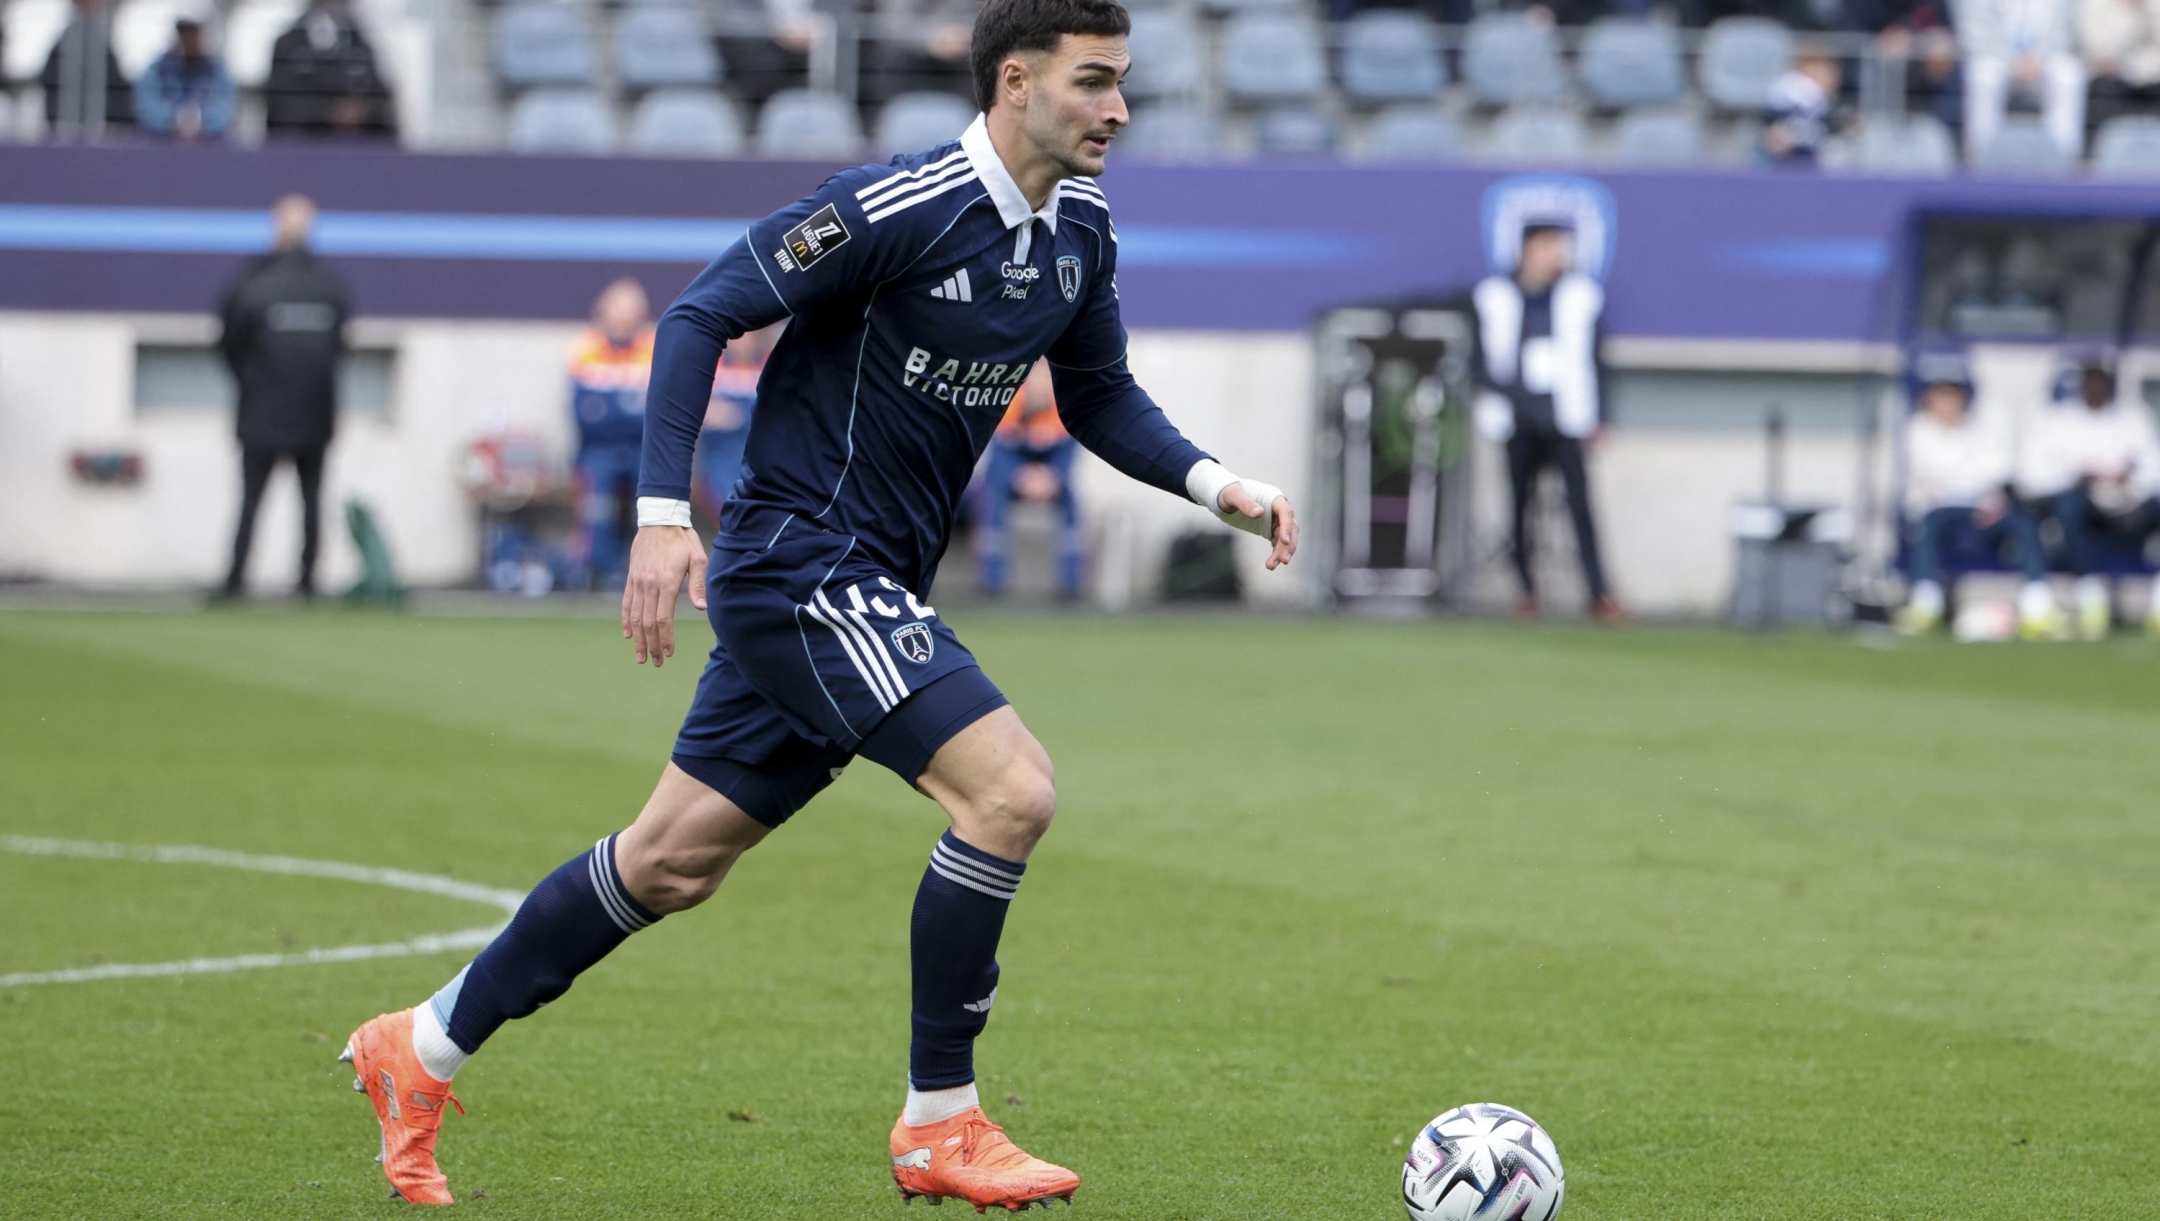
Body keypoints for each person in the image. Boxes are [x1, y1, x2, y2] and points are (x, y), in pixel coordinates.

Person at [338, 1, 1299, 1211]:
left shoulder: (1080, 232)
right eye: (1093, 81)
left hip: (865, 584)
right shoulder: (896, 207)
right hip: (802, 560)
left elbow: (1098, 394)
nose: (1118, 109)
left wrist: (1221, 486)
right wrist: (659, 514)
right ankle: (940, 1120)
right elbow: (698, 313)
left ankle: (416, 1048)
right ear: (1015, 82)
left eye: (1123, 84)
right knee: (1009, 792)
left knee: (671, 862)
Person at [1471, 221, 1623, 622]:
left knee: (1579, 505)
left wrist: (1601, 417)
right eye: (1548, 247)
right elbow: (1478, 363)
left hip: (1566, 416)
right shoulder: (1494, 296)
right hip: (1515, 416)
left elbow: (1597, 361)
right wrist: (1509, 392)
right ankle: (1526, 589)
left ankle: (1599, 591)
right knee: (1519, 505)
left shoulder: (1580, 296)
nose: (1557, 256)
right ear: (1527, 250)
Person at [217, 195, 350, 600]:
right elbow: (340, 348)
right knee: (310, 502)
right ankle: (307, 582)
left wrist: (253, 383)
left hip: (263, 412)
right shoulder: (329, 285)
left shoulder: (253, 284)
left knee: (252, 500)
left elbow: (228, 344)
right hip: (314, 413)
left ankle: (236, 581)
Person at [1894, 353, 2056, 637]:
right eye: (1940, 395)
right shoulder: (1916, 430)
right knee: (1928, 526)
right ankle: (1926, 604)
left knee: (2024, 525)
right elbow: (1933, 478)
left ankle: (2037, 607)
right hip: (1940, 512)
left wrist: (1988, 496)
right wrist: (1968, 485)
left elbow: (1999, 472)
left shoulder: (1984, 429)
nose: (1947, 403)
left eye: (1953, 395)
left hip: (1985, 512)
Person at [2027, 357, 2160, 638]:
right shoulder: (2059, 421)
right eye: (2091, 383)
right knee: (2067, 509)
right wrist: (2081, 479)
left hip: (2131, 504)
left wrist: (2130, 486)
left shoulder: (2133, 418)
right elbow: (2038, 473)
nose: (2096, 389)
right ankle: (2090, 594)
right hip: (2083, 505)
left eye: (2102, 383)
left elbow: (2152, 466)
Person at [566, 279, 657, 591]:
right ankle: (598, 570)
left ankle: (644, 571)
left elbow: (655, 416)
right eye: (618, 308)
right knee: (597, 493)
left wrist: (614, 409)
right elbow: (585, 417)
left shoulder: (653, 347)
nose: (624, 316)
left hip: (643, 449)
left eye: (631, 309)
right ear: (602, 310)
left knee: (652, 498)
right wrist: (628, 408)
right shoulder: (586, 349)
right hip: (597, 449)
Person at [974, 360, 1085, 599]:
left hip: (1049, 482)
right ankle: (992, 583)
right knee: (991, 497)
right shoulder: (1009, 408)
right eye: (1035, 378)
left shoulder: (1063, 410)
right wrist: (1019, 477)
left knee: (1072, 502)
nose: (1040, 385)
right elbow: (998, 457)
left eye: (1046, 378)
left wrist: (1051, 479)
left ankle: (1070, 584)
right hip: (1013, 481)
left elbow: (1068, 456)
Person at [1962, 0, 2086, 156]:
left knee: (2068, 74)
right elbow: (1975, 35)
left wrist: (2037, 60)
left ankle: (2064, 155)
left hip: (2043, 62)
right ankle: (1980, 153)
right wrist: (2011, 61)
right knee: (1983, 75)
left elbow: (2065, 34)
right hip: (1998, 60)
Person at [264, 0, 398, 140]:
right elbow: (280, 106)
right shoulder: (289, 44)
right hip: (302, 146)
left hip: (355, 147)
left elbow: (381, 100)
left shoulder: (360, 44)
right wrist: (330, 113)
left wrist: (360, 111)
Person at [694, 321, 781, 519]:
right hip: (718, 458)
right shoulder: (711, 364)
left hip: (764, 458)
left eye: (753, 334)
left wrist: (738, 417)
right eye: (741, 334)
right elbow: (685, 405)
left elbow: (784, 415)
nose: (746, 341)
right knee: (733, 510)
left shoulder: (774, 363)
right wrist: (704, 410)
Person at [134, 15, 238, 142]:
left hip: (210, 145)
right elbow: (147, 106)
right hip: (162, 143)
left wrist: (198, 122)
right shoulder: (158, 68)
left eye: (194, 33)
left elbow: (225, 110)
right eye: (184, 33)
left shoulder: (218, 70)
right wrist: (175, 120)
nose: (188, 39)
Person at [39, 0, 135, 135]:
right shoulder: (65, 43)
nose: (91, 7)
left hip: (101, 125)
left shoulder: (102, 42)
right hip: (67, 124)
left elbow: (115, 82)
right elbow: (50, 82)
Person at [1758, 46, 1845, 165]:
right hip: (1785, 156)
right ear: (1810, 67)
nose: (1834, 77)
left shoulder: (1820, 97)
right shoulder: (1792, 88)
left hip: (1808, 153)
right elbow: (1772, 121)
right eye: (1827, 70)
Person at [2080, 0, 2160, 128]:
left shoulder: (2154, 6)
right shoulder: (2095, 5)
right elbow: (2102, 52)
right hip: (2109, 83)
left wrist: (2133, 67)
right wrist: (2129, 12)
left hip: (2151, 82)